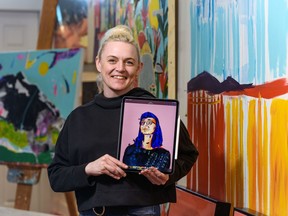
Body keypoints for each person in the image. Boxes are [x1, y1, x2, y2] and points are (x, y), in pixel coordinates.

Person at [47, 25, 199, 216]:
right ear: (99, 63)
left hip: (144, 210)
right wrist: (89, 168)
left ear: (138, 68)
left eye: (128, 62)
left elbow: (188, 154)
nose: (120, 68)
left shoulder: (157, 110)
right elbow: (56, 177)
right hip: (95, 212)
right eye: (112, 60)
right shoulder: (78, 118)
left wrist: (167, 176)